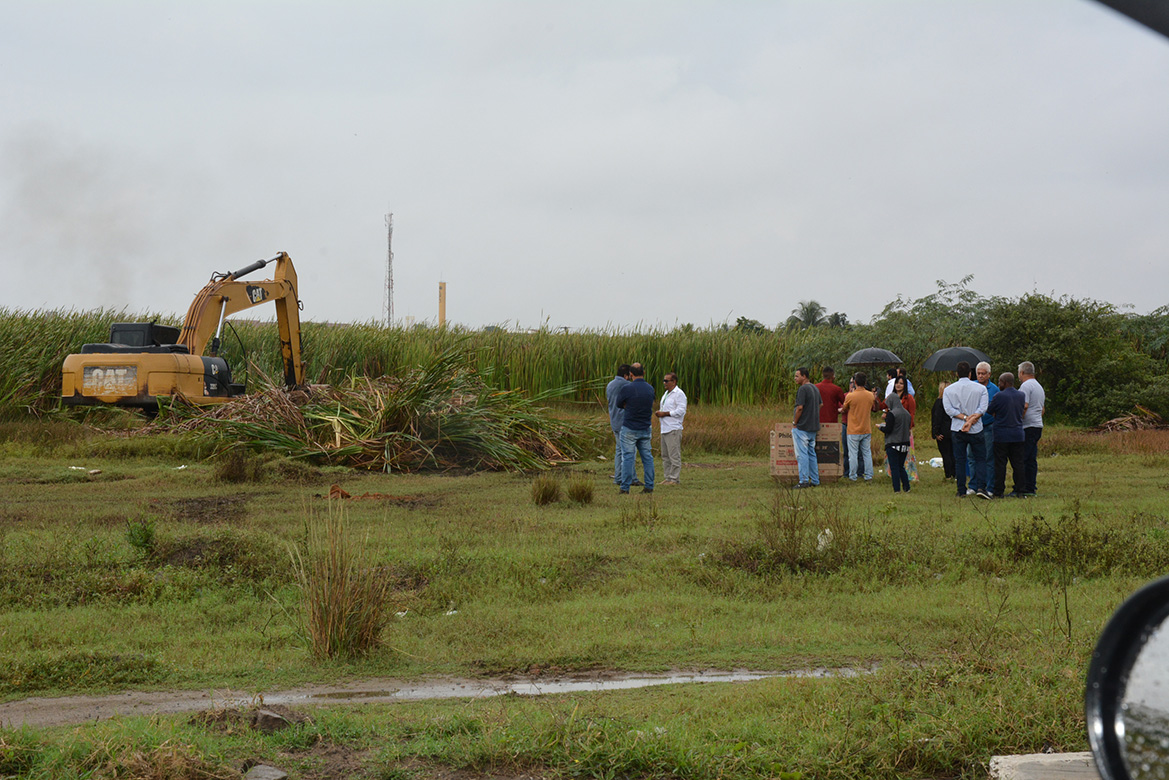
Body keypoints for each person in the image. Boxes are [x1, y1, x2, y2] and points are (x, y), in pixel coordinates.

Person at [942, 361, 990, 498]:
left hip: (957, 429)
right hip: (977, 428)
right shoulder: (980, 389)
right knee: (980, 459)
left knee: (960, 460)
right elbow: (983, 409)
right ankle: (981, 487)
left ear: (956, 374)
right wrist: (971, 420)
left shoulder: (948, 390)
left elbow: (949, 410)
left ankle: (961, 490)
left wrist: (964, 418)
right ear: (971, 374)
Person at [615, 364, 655, 494]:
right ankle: (649, 486)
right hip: (645, 426)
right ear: (644, 372)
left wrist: (629, 405)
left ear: (631, 374)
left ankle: (625, 487)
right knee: (647, 457)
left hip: (630, 427)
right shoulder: (650, 388)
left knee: (628, 457)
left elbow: (619, 403)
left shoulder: (627, 388)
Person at [987, 372, 1026, 497]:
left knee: (1000, 464)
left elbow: (989, 410)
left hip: (1001, 434)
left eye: (1000, 382)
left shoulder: (999, 396)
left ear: (1004, 382)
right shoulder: (1021, 395)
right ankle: (1020, 490)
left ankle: (998, 491)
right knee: (1018, 464)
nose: (998, 384)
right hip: (1017, 433)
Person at [605, 364, 637, 486]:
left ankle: (618, 477)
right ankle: (630, 478)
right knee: (629, 451)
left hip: (614, 421)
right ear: (626, 375)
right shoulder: (626, 385)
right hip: (625, 422)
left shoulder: (610, 385)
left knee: (619, 450)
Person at [841, 372, 875, 482]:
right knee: (867, 453)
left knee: (853, 455)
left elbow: (844, 409)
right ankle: (869, 475)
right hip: (866, 428)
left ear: (855, 382)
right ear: (865, 382)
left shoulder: (850, 396)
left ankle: (852, 476)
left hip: (853, 429)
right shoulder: (870, 395)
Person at [655, 372, 687, 485]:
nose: (664, 383)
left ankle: (674, 478)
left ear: (674, 382)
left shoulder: (679, 394)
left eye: (667, 381)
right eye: (664, 381)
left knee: (674, 455)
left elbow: (681, 411)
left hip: (673, 428)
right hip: (664, 428)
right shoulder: (666, 394)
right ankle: (667, 477)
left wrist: (665, 414)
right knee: (665, 455)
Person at [1019, 361, 1046, 497]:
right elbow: (1042, 409)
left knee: (1023, 457)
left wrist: (1019, 419)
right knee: (1031, 458)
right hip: (1037, 425)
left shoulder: (1025, 386)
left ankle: (1022, 487)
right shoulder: (1039, 386)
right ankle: (1031, 486)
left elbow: (1024, 405)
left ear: (1022, 373)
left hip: (1027, 425)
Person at [792, 367, 822, 488]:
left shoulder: (803, 389)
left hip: (803, 427)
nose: (795, 378)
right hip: (813, 426)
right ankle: (815, 480)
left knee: (802, 454)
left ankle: (803, 480)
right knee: (812, 453)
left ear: (804, 376)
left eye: (797, 376)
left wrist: (795, 422)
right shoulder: (815, 388)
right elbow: (821, 404)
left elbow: (800, 408)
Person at [878, 390, 912, 493]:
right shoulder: (907, 414)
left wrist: (880, 427)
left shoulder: (892, 414)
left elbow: (888, 429)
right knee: (901, 466)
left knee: (894, 468)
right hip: (905, 444)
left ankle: (897, 489)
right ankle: (907, 487)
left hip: (893, 444)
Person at [816, 366, 847, 476]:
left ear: (823, 375)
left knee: (817, 446)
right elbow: (845, 403)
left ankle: (817, 470)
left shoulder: (816, 387)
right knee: (832, 446)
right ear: (833, 376)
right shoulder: (836, 389)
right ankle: (832, 469)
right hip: (832, 423)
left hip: (817, 422)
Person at [974, 361, 999, 495]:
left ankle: (989, 487)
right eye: (978, 373)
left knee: (989, 457)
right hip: (972, 426)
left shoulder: (994, 389)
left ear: (989, 374)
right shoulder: (972, 386)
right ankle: (973, 485)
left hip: (988, 426)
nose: (981, 376)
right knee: (972, 456)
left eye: (983, 374)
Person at [894, 375, 919, 483]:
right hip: (893, 429)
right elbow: (883, 406)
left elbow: (912, 414)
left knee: (907, 452)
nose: (898, 385)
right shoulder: (892, 397)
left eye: (901, 383)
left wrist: (909, 427)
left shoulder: (909, 398)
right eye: (897, 383)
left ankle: (910, 475)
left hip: (905, 429)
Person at [931, 381, 956, 479]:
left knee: (946, 454)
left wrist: (936, 432)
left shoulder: (939, 402)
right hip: (953, 430)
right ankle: (955, 473)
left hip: (943, 432)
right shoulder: (953, 403)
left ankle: (948, 474)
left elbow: (937, 418)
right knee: (952, 453)